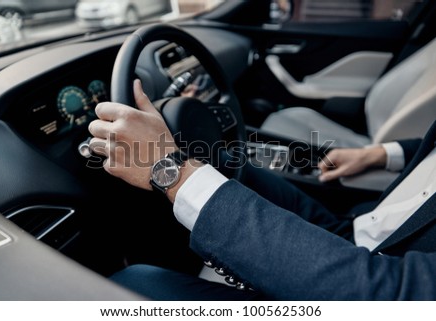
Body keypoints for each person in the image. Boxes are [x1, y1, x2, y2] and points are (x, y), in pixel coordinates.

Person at [88, 79, 436, 300]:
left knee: (131, 285)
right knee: (225, 164)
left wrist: (173, 172)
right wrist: (383, 154)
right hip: (370, 228)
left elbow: (392, 297)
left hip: (373, 279)